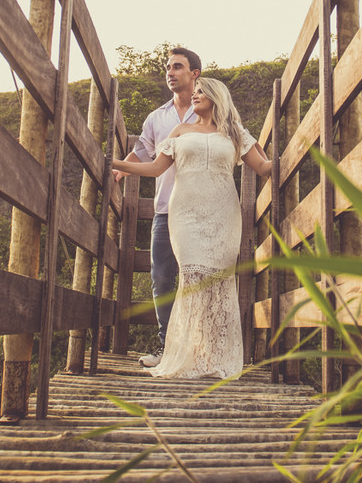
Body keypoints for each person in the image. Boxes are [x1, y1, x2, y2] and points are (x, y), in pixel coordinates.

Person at [113, 77, 272, 379]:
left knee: (218, 280)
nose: (195, 95)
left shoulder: (235, 133)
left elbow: (263, 168)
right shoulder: (180, 131)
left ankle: (213, 356)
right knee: (192, 275)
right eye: (195, 91)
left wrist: (300, 156)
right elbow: (155, 169)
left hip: (223, 214)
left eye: (201, 92)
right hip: (184, 214)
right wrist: (118, 164)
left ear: (216, 97)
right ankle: (188, 353)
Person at [113, 48, 202, 367]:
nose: (170, 71)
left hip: (201, 212)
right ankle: (168, 350)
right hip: (165, 211)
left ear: (194, 74)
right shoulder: (157, 117)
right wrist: (121, 169)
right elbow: (142, 152)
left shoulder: (209, 110)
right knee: (162, 279)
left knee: (198, 279)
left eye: (178, 67)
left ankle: (199, 352)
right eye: (168, 67)